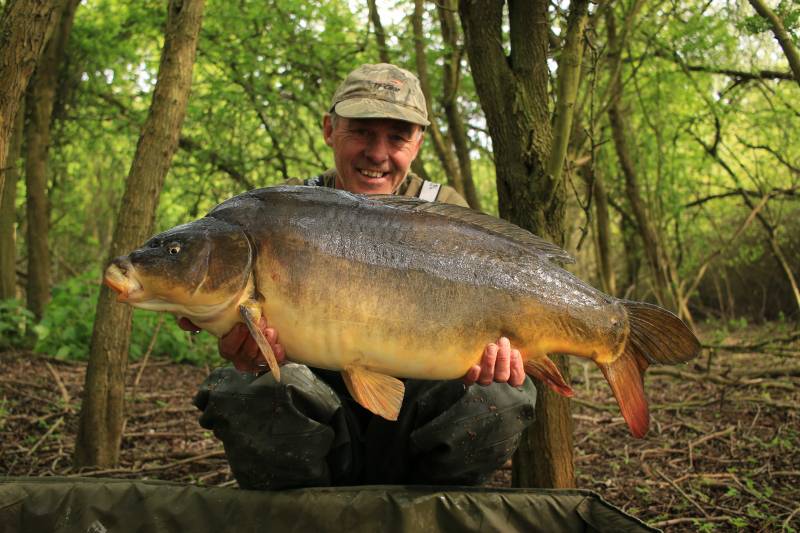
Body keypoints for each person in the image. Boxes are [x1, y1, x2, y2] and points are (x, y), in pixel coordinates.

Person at [183, 63, 538, 489]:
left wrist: (490, 363)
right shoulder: (284, 211)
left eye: (397, 137)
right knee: (250, 388)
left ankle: (423, 514)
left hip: (416, 421)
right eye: (363, 132)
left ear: (418, 142)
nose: (377, 153)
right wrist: (256, 354)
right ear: (329, 129)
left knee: (500, 397)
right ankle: (308, 516)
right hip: (322, 415)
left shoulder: (446, 212)